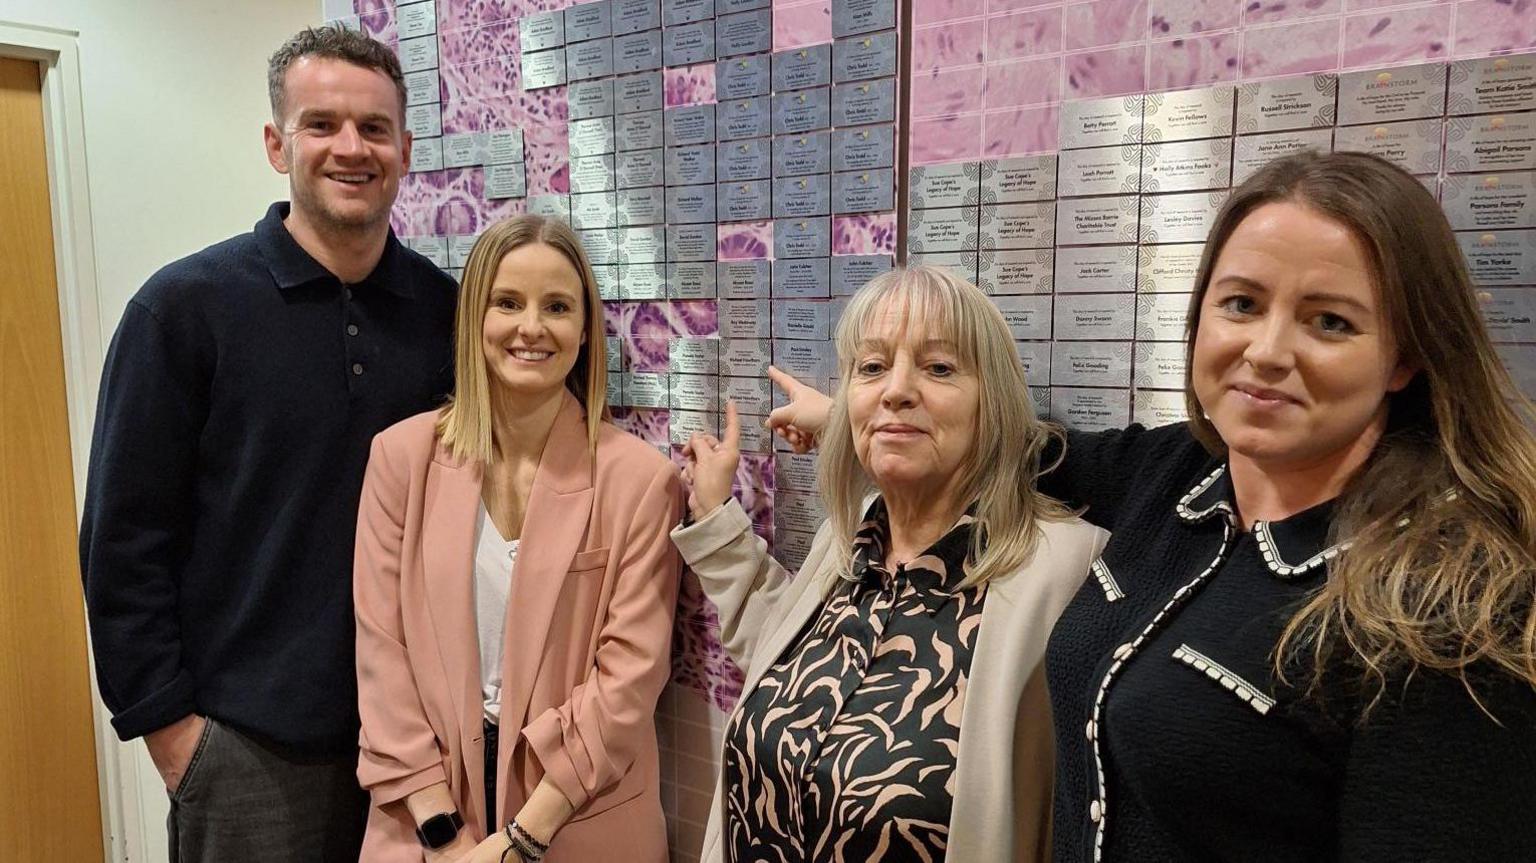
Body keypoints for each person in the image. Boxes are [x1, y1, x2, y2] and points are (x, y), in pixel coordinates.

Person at [766, 152, 1536, 861]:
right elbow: (1011, 442)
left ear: (1406, 355)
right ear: (1199, 317)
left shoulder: (1449, 605)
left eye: (1329, 321)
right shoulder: (1176, 476)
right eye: (1241, 304)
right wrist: (859, 416)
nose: (1267, 350)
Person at [79, 26, 453, 861]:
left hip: (424, 744)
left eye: (374, 128)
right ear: (276, 143)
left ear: (405, 148)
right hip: (247, 749)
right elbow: (122, 540)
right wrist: (175, 735)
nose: (350, 148)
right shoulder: (181, 312)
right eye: (321, 125)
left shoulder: (446, 314)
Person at [673, 265, 1107, 862]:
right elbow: (781, 657)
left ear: (996, 402)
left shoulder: (1062, 572)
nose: (895, 390)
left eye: (939, 368)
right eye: (872, 368)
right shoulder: (848, 538)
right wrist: (716, 517)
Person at [352, 214, 683, 863]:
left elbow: (627, 684)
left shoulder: (643, 481)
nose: (531, 327)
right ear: (474, 315)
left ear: (585, 329)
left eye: (557, 306)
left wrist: (520, 840)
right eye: (508, 302)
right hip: (427, 820)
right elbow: (381, 659)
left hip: (578, 821)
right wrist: (445, 837)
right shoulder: (400, 459)